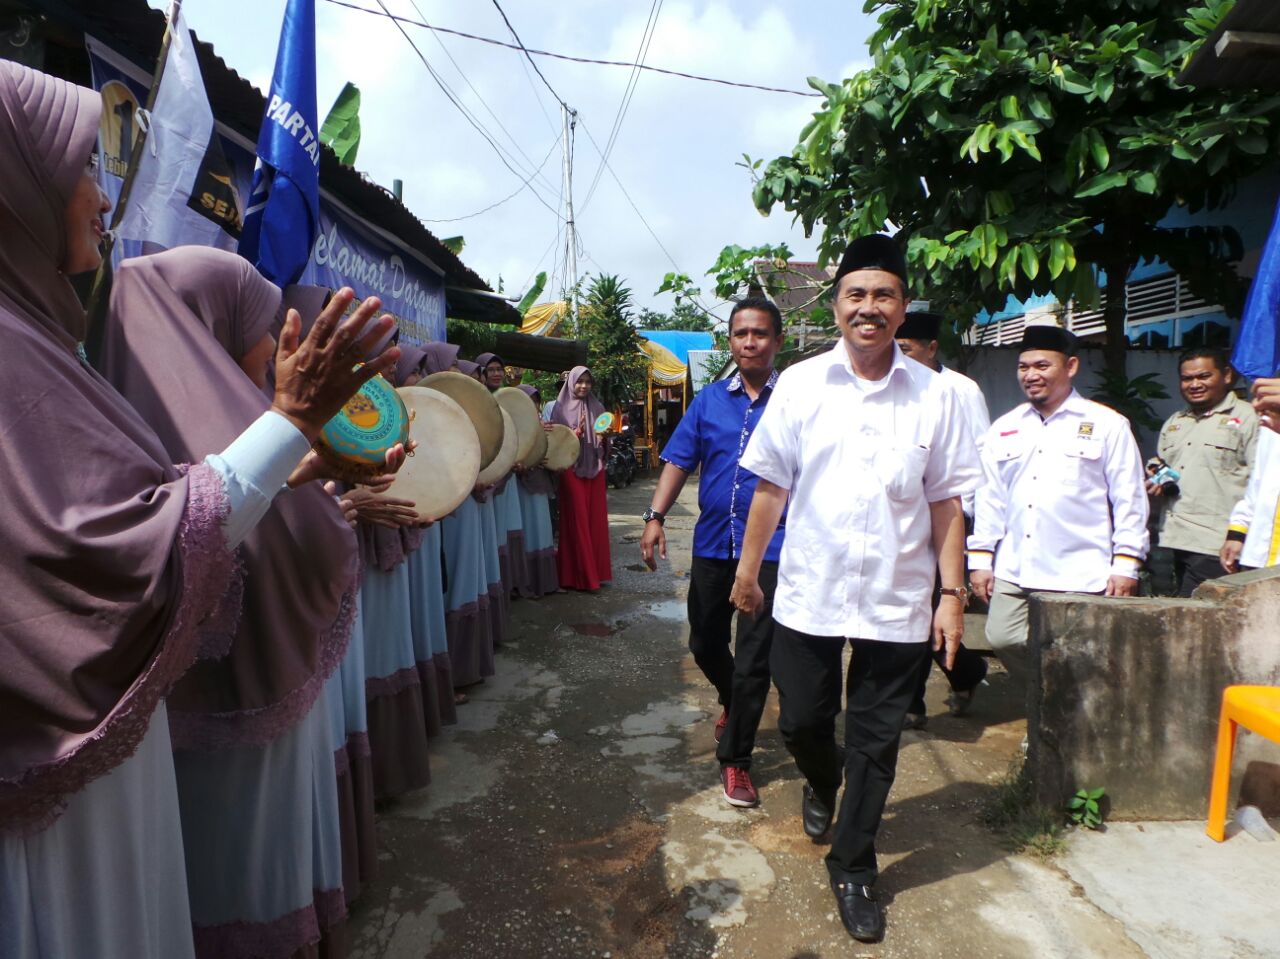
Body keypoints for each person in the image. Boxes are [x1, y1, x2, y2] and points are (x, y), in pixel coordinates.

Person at [0, 61, 399, 959]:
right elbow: (120, 548)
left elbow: (151, 505)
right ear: (15, 188)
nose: (103, 199)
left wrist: (305, 456)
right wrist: (289, 426)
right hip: (58, 790)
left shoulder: (38, 341)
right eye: (80, 169)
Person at [98, 251, 371, 957]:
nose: (275, 343)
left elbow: (245, 512)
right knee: (232, 874)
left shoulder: (238, 411)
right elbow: (194, 531)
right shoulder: (123, 431)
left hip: (257, 701)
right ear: (210, 321)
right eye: (263, 323)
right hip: (216, 724)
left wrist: (317, 485)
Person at [730, 234, 978, 944]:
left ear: (903, 306)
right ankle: (821, 777)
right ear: (836, 305)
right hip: (809, 588)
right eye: (856, 294)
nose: (869, 308)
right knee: (801, 721)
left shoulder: (939, 395)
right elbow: (771, 486)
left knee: (877, 740)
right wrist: (747, 571)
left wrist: (951, 595)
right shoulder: (802, 384)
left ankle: (854, 865)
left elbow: (946, 503)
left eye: (884, 295)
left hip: (898, 596)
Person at [641, 296, 786, 808]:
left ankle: (736, 759)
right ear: (730, 341)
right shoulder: (708, 401)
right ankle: (733, 699)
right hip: (712, 544)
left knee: (753, 660)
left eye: (760, 333)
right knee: (704, 642)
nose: (750, 342)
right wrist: (655, 517)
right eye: (740, 333)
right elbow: (680, 460)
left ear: (778, 341)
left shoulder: (794, 402)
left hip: (771, 549)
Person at [968, 326, 1149, 692]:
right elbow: (989, 497)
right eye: (1023, 367)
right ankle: (1050, 698)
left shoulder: (1106, 424)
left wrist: (1127, 562)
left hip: (1081, 569)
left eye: (1042, 366)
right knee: (1003, 636)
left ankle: (1061, 711)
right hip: (1016, 565)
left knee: (1078, 653)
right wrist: (981, 559)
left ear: (1071, 366)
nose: (1030, 375)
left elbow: (1129, 497)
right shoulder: (1006, 427)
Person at [895, 311, 990, 726]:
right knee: (909, 607)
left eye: (906, 349)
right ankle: (965, 671)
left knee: (929, 605)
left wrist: (972, 522)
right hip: (900, 518)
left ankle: (912, 702)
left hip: (948, 517)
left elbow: (981, 455)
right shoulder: (892, 387)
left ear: (932, 348)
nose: (899, 357)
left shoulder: (960, 390)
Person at [1150, 348, 1257, 596]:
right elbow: (1163, 464)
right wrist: (1155, 474)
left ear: (1226, 375)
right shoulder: (1175, 422)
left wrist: (1238, 536)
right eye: (1187, 378)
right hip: (1173, 539)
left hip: (1218, 545)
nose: (1195, 384)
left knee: (1201, 614)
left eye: (1204, 376)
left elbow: (1262, 484)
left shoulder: (1249, 418)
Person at [551, 367, 613, 590]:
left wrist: (604, 438)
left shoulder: (597, 407)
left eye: (588, 382)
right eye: (580, 381)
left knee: (595, 521)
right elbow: (556, 441)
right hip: (571, 468)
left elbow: (604, 440)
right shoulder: (559, 409)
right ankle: (582, 577)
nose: (584, 386)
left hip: (595, 467)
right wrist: (577, 432)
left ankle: (595, 573)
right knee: (577, 520)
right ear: (571, 383)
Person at [516, 384, 561, 597]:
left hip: (541, 484)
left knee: (543, 531)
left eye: (535, 401)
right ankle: (528, 583)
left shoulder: (545, 425)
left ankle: (545, 582)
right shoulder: (514, 427)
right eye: (528, 401)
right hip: (522, 487)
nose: (533, 405)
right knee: (528, 533)